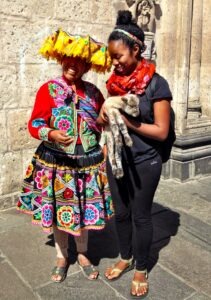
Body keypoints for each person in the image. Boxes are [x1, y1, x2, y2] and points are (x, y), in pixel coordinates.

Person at [17, 29, 113, 282]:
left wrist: (107, 143)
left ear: (86, 65)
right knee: (61, 210)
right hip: (57, 162)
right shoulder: (49, 90)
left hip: (88, 162)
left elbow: (105, 121)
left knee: (83, 210)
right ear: (61, 60)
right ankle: (62, 256)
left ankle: (82, 253)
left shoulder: (93, 93)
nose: (74, 66)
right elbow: (35, 123)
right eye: (69, 60)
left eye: (80, 62)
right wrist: (51, 133)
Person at [98, 11, 173, 298]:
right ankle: (125, 256)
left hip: (145, 162)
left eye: (118, 56)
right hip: (117, 159)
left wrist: (125, 119)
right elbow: (104, 122)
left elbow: (161, 132)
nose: (114, 62)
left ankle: (141, 267)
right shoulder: (114, 83)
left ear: (137, 50)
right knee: (121, 214)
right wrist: (105, 115)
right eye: (111, 56)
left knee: (141, 216)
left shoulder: (156, 84)